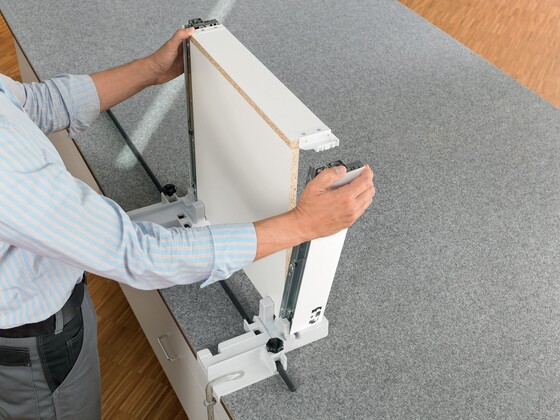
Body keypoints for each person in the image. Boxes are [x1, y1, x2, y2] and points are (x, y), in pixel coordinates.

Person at [0, 28, 375, 418]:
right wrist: (302, 225)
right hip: (32, 345)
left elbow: (34, 103)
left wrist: (152, 69)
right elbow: (138, 254)